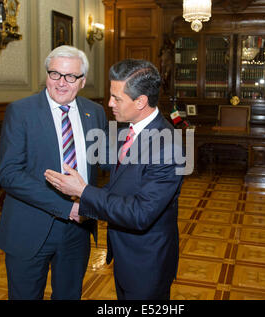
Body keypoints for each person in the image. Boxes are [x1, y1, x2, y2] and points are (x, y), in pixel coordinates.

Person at [45, 59, 184, 300]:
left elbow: (141, 213)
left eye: (116, 98)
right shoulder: (128, 131)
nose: (109, 104)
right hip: (125, 256)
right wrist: (85, 208)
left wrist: (85, 191)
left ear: (140, 101)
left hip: (147, 263)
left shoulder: (167, 145)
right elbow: (120, 188)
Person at [0, 45, 108, 300]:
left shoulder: (95, 113)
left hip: (78, 230)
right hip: (30, 227)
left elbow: (107, 161)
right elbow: (10, 174)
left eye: (70, 76)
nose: (61, 82)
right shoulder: (21, 111)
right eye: (54, 74)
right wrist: (66, 207)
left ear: (82, 81)